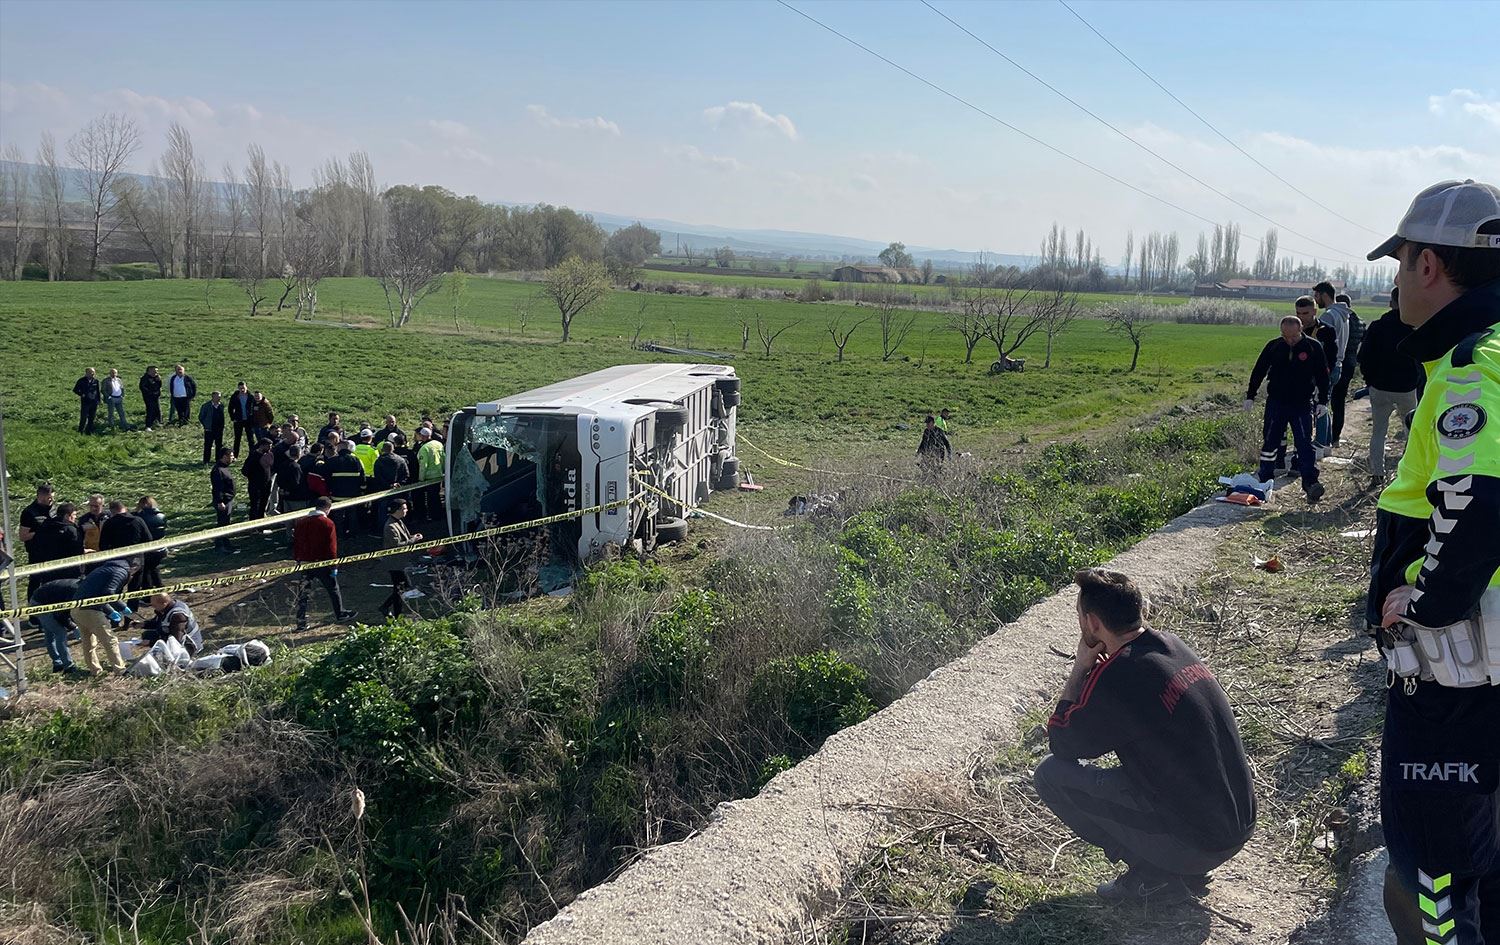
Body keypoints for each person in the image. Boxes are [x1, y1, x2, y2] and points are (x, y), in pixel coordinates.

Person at [1363, 179, 1500, 945]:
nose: (1391, 282)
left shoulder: (1471, 364)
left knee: (1436, 877)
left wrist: (1420, 602)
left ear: (1428, 266)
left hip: (1457, 676)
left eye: (1399, 260)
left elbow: (1476, 503)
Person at [1035, 568, 1256, 903]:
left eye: (1079, 616)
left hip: (1199, 843)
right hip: (1238, 824)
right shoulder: (1173, 646)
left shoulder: (1119, 674)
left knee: (1050, 775)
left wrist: (1081, 667)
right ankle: (1172, 865)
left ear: (1093, 623)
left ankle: (1155, 875)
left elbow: (1063, 743)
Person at [1244, 314, 1330, 501]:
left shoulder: (1313, 347)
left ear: (1301, 331)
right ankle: (1265, 480)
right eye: (1285, 336)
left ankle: (1310, 483)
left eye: (1293, 337)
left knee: (1304, 443)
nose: (1289, 340)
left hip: (1301, 404)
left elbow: (1323, 376)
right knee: (1270, 442)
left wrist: (1323, 401)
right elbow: (1259, 370)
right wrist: (1250, 395)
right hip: (1276, 402)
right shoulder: (1274, 346)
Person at [1359, 286, 1425, 485]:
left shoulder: (1378, 326)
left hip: (1380, 387)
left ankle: (1377, 473)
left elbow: (1363, 357)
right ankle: (1409, 473)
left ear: (1391, 303)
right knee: (1411, 431)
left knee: (1379, 432)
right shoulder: (1414, 328)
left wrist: (1369, 380)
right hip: (1407, 388)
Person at [292, 496, 357, 631]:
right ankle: (340, 613)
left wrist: (298, 559)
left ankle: (301, 621)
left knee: (303, 593)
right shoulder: (328, 524)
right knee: (333, 589)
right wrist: (334, 566)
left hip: (305, 562)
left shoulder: (301, 522)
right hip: (322, 563)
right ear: (328, 508)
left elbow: (296, 543)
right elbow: (331, 547)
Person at [71, 557, 132, 674]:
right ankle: (120, 669)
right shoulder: (120, 571)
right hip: (90, 610)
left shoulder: (103, 569)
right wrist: (121, 607)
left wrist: (110, 611)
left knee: (89, 642)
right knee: (110, 639)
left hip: (76, 609)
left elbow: (97, 596)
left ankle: (95, 670)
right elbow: (108, 593)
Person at [27, 577, 82, 673]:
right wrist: (74, 627)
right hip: (39, 604)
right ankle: (68, 666)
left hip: (45, 600)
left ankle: (57, 664)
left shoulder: (78, 585)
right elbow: (62, 614)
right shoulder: (75, 591)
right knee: (60, 632)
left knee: (50, 633)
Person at [380, 498, 423, 618]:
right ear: (397, 510)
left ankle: (396, 613)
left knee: (399, 588)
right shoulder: (390, 526)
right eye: (404, 508)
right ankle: (385, 607)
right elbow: (397, 545)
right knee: (402, 587)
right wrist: (413, 540)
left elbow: (404, 537)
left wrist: (413, 537)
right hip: (394, 563)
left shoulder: (399, 521)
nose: (406, 510)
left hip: (400, 562)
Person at [18, 484, 55, 603]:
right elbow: (23, 536)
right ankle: (33, 614)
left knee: (51, 582)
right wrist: (41, 532)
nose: (51, 500)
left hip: (53, 552)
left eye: (52, 497)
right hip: (37, 553)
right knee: (35, 582)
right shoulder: (29, 512)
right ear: (40, 496)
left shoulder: (53, 509)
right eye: (48, 498)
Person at [30, 502, 85, 580]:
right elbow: (77, 550)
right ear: (67, 516)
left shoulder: (44, 527)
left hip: (47, 570)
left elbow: (36, 545)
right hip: (68, 571)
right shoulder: (71, 530)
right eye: (74, 515)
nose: (75, 517)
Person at [325, 440, 367, 537]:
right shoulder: (356, 460)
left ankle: (339, 534)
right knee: (352, 516)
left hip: (337, 495)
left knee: (338, 517)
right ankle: (352, 534)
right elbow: (362, 478)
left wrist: (330, 490)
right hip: (353, 495)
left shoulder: (332, 461)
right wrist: (362, 490)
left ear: (339, 448)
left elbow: (326, 478)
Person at [133, 496, 168, 608]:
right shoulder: (162, 516)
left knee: (146, 572)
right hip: (160, 549)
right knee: (154, 569)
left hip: (147, 550)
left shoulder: (139, 517)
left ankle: (147, 597)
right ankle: (161, 590)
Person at [373, 439, 410, 526]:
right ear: (393, 449)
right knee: (400, 509)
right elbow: (406, 474)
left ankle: (384, 529)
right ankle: (401, 528)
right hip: (398, 490)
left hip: (384, 491)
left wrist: (388, 484)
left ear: (382, 450)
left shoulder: (379, 461)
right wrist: (398, 483)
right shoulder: (401, 460)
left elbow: (378, 476)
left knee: (383, 510)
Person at [211, 447, 239, 554]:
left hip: (228, 500)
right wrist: (219, 502)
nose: (233, 458)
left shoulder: (224, 468)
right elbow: (217, 488)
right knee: (222, 523)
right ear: (224, 456)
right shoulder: (217, 470)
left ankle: (226, 543)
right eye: (231, 456)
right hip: (223, 502)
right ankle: (219, 545)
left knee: (226, 523)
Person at [415, 427, 446, 523]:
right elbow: (444, 458)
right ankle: (439, 514)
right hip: (439, 475)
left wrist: (421, 479)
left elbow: (423, 466)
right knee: (437, 497)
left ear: (423, 436)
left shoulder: (424, 448)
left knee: (430, 499)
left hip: (429, 477)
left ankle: (433, 516)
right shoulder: (438, 444)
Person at [243, 438, 274, 519]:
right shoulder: (253, 456)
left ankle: (261, 526)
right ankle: (253, 528)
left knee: (263, 506)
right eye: (268, 446)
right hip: (256, 486)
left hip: (266, 484)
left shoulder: (269, 455)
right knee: (255, 506)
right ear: (262, 446)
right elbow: (245, 471)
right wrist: (254, 478)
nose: (270, 448)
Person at [199, 390, 226, 464]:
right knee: (208, 445)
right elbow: (201, 417)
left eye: (220, 397)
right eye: (217, 397)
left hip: (219, 429)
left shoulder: (221, 406)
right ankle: (206, 461)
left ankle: (218, 460)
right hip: (209, 429)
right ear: (213, 397)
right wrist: (206, 425)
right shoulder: (206, 406)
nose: (219, 398)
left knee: (219, 446)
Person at [73, 367, 100, 434]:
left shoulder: (96, 381)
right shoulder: (81, 380)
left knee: (92, 417)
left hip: (94, 402)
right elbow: (75, 390)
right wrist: (82, 394)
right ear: (87, 373)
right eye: (91, 372)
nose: (93, 373)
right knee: (84, 417)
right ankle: (80, 431)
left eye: (93, 372)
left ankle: (89, 431)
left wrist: (98, 400)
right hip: (85, 402)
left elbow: (98, 391)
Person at [228, 381, 253, 455]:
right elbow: (230, 408)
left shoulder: (250, 396)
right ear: (238, 388)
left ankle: (252, 454)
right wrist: (233, 418)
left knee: (250, 439)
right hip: (238, 420)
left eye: (243, 388)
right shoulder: (235, 396)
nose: (242, 390)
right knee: (237, 439)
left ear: (246, 387)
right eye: (240, 388)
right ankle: (235, 455)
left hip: (248, 420)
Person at [138, 365, 163, 430]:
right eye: (154, 371)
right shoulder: (144, 378)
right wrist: (152, 393)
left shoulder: (156, 377)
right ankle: (148, 425)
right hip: (149, 398)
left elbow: (159, 386)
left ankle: (158, 422)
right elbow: (143, 388)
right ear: (149, 371)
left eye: (157, 371)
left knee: (158, 409)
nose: (156, 372)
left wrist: (159, 380)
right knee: (150, 410)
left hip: (156, 397)